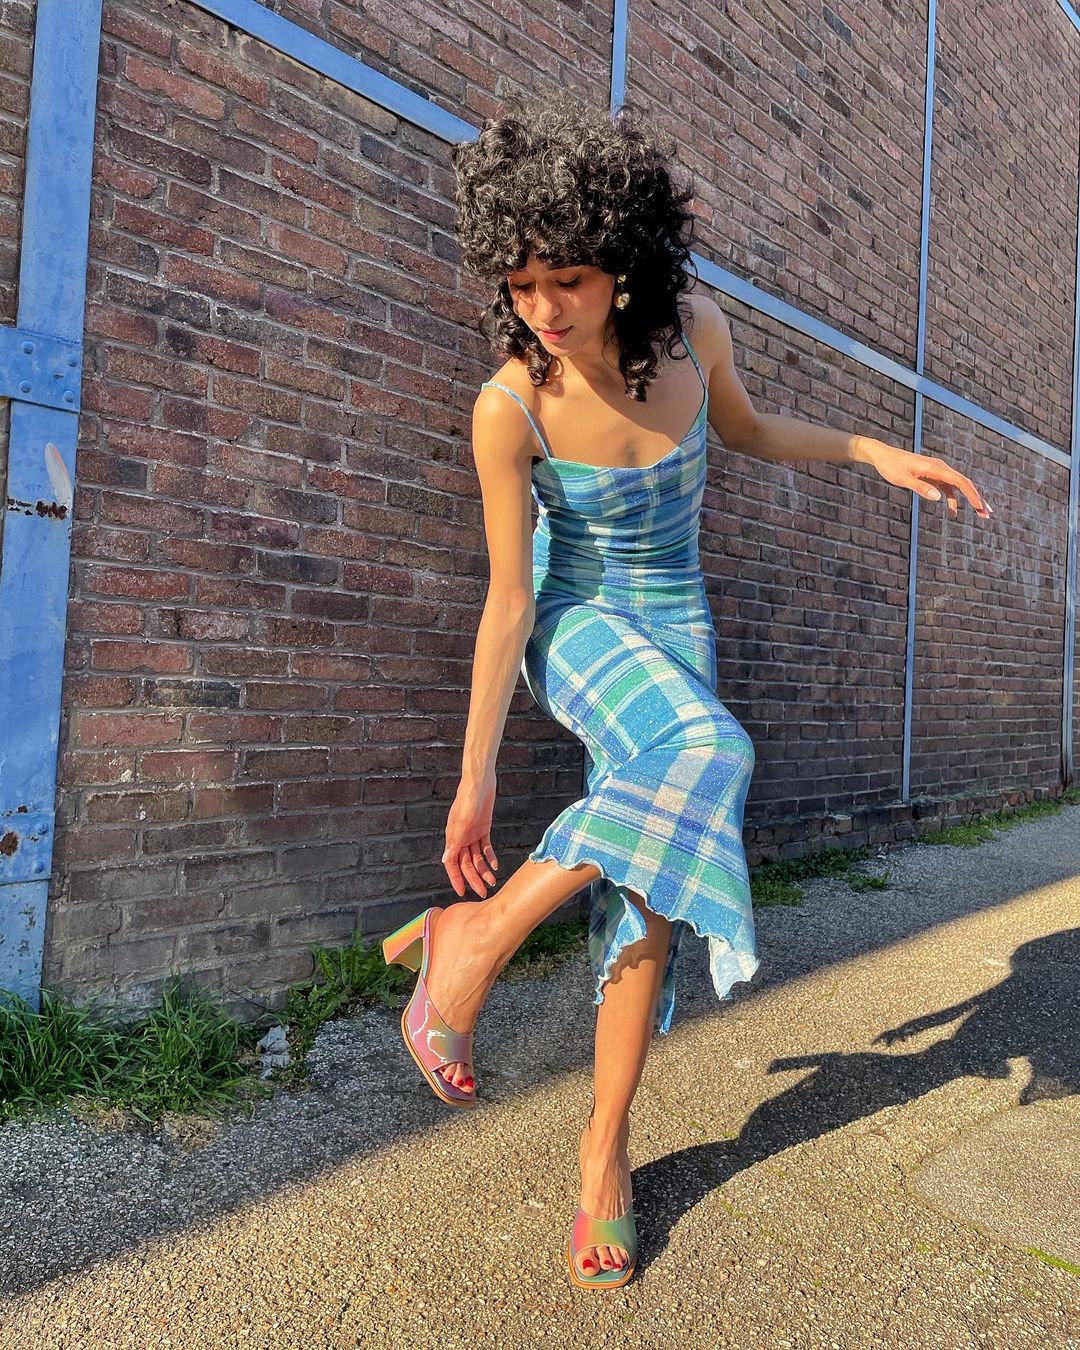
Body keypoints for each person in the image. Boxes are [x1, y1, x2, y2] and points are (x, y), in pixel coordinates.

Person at [381, 95, 993, 1290]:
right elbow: (508, 602)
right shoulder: (509, 409)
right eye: (520, 284)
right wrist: (474, 776)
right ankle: (479, 936)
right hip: (577, 622)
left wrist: (870, 450)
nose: (544, 309)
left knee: (652, 890)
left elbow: (749, 432)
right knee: (712, 753)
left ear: (623, 261)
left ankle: (604, 1148)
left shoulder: (694, 329)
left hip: (677, 621)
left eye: (567, 279)